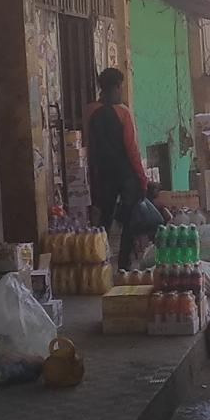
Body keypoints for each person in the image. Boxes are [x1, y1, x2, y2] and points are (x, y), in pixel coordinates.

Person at [84, 68, 151, 269]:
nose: (121, 91)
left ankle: (98, 262)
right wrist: (142, 178)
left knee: (104, 220)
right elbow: (131, 149)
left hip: (102, 174)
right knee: (129, 221)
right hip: (125, 174)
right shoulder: (123, 113)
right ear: (115, 87)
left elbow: (89, 147)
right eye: (121, 87)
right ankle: (124, 264)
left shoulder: (90, 111)